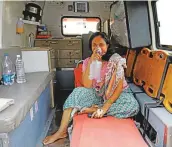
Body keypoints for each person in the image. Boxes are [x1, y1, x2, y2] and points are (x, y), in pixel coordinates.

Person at [43, 32, 139, 145]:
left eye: (101, 44)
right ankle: (61, 131)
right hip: (98, 93)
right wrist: (92, 63)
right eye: (94, 45)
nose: (97, 48)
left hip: (118, 94)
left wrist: (104, 108)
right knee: (77, 92)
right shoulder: (88, 61)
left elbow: (118, 88)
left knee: (132, 106)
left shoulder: (116, 61)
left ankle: (96, 109)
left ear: (107, 46)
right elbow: (87, 85)